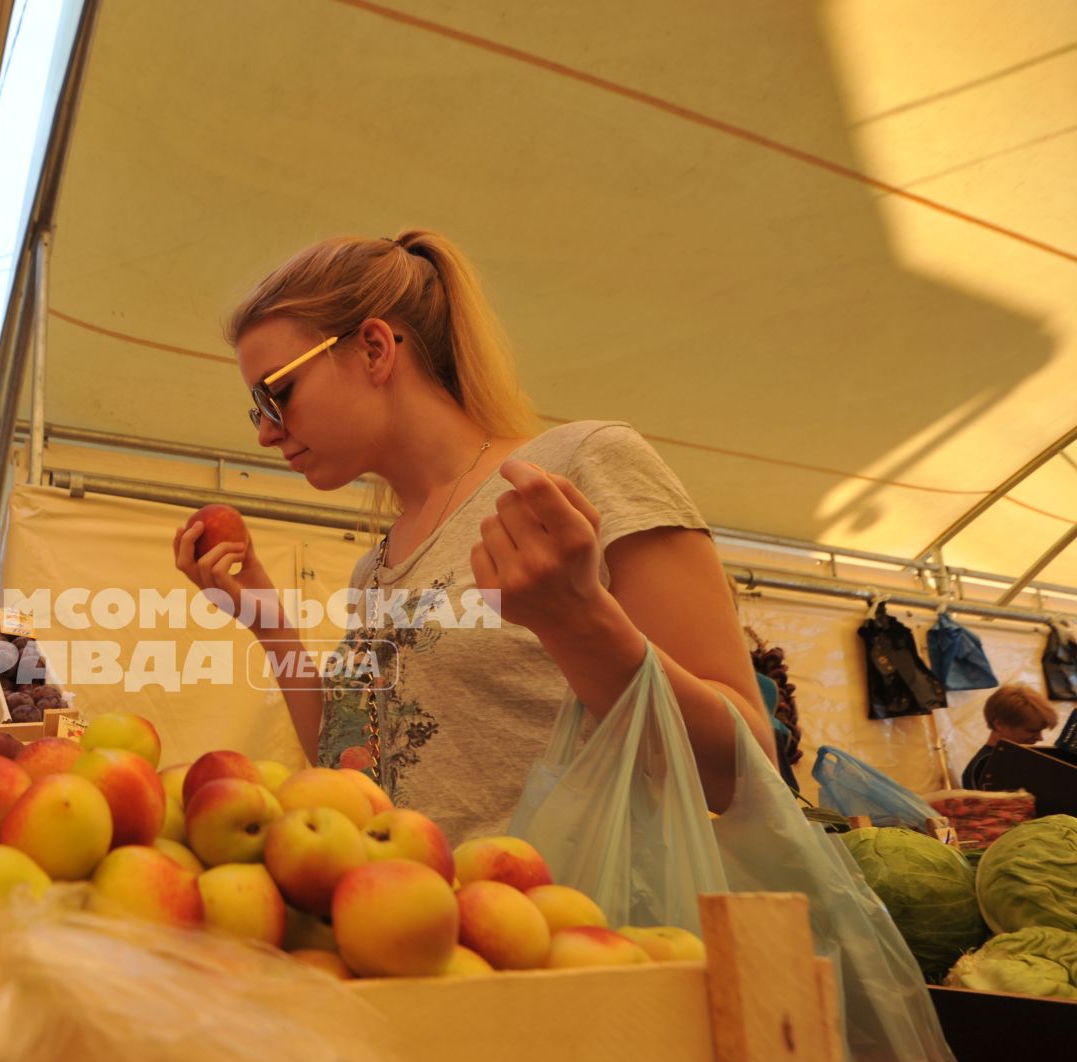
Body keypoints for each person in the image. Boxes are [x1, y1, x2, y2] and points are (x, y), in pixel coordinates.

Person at [172, 230, 775, 842]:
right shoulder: (376, 565)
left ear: (375, 349)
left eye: (277, 394)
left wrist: (578, 620)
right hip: (422, 921)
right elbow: (353, 767)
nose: (265, 435)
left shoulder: (582, 465)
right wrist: (267, 621)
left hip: (578, 926)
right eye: (258, 410)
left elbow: (745, 772)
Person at [961, 683, 1057, 790]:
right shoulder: (985, 767)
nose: (1040, 738)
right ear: (999, 724)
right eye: (1032, 731)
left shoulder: (1015, 760)